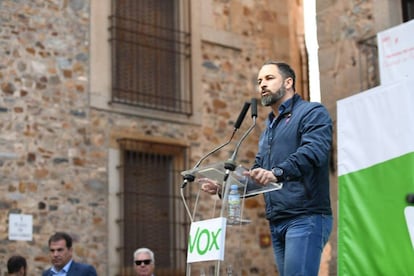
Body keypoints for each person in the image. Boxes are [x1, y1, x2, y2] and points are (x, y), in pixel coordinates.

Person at [200, 61, 333, 276]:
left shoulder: (312, 112)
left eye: (269, 78)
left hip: (305, 216)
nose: (262, 84)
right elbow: (258, 174)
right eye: (259, 81)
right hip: (277, 220)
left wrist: (276, 172)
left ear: (288, 82)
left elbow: (314, 152)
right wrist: (224, 187)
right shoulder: (268, 128)